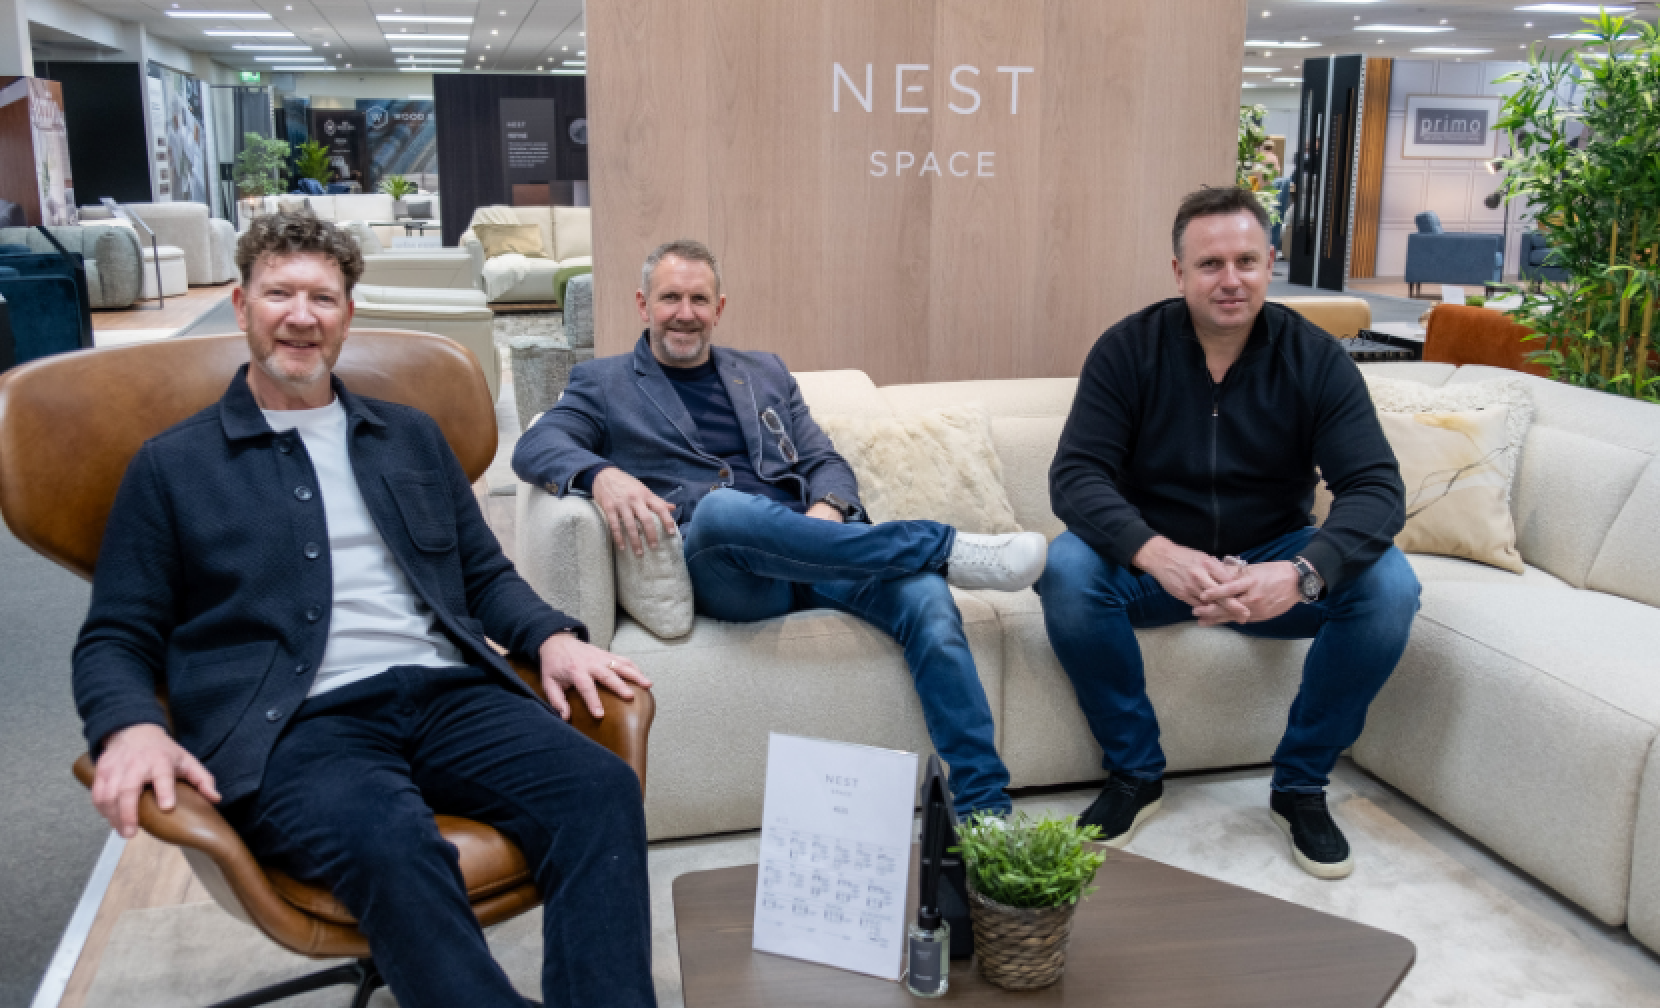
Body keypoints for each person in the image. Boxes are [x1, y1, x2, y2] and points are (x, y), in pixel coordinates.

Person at [74, 211, 657, 1008]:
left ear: (349, 314)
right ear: (242, 308)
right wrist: (129, 725)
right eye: (279, 293)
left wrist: (552, 636)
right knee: (392, 843)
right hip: (297, 726)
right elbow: (117, 633)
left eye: (323, 296)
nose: (301, 316)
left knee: (600, 791)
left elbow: (484, 575)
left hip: (448, 696)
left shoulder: (409, 438)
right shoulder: (172, 466)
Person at [512, 239, 1046, 819]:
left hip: (815, 552)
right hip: (730, 568)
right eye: (670, 297)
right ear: (643, 304)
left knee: (926, 598)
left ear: (720, 308)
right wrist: (603, 473)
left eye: (699, 298)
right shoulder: (603, 383)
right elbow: (537, 444)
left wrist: (830, 511)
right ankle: (940, 545)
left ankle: (985, 810)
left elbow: (825, 461)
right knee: (721, 509)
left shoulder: (764, 372)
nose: (684, 312)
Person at [1037, 186, 1419, 879]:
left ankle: (1300, 785)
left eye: (1246, 260)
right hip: (1156, 566)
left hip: (1272, 559)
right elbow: (1076, 476)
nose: (1231, 279)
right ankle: (1134, 774)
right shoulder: (1128, 350)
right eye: (1210, 264)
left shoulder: (1315, 358)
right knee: (1067, 569)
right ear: (1178, 272)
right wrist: (1156, 553)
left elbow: (1376, 489)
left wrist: (1299, 574)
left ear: (1271, 263)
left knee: (1390, 587)